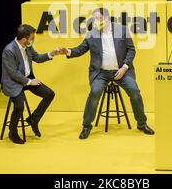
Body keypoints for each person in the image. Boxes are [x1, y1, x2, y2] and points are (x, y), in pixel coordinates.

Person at [58, 8, 154, 139]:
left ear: (107, 17)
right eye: (94, 18)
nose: (96, 21)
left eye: (99, 18)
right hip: (101, 73)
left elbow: (131, 50)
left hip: (122, 71)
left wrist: (125, 67)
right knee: (94, 93)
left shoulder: (122, 30)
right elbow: (80, 50)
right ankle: (86, 126)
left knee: (134, 91)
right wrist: (67, 51)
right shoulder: (92, 34)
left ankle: (142, 123)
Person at [1, 24, 58, 144]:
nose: (33, 40)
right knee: (19, 106)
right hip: (13, 82)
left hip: (27, 79)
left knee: (49, 94)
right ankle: (12, 132)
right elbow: (13, 73)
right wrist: (30, 82)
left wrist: (51, 54)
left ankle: (33, 119)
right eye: (32, 38)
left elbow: (37, 57)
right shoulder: (9, 50)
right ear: (23, 39)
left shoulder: (27, 47)